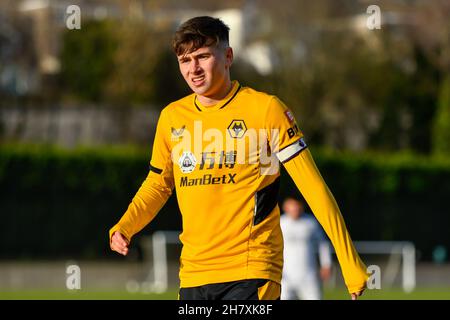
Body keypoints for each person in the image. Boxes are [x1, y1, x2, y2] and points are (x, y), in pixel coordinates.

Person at [109, 16, 368, 300]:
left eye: (203, 56)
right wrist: (126, 225)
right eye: (185, 60)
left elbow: (313, 188)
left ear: (228, 56)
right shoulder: (172, 117)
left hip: (251, 269)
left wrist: (349, 261)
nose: (193, 68)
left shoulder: (266, 110)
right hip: (194, 274)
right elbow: (158, 184)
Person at [280, 197, 332, 300]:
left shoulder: (310, 222)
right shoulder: (280, 223)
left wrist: (326, 264)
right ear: (285, 207)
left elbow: (323, 244)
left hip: (309, 275)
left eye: (297, 206)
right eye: (292, 206)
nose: (295, 209)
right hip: (285, 277)